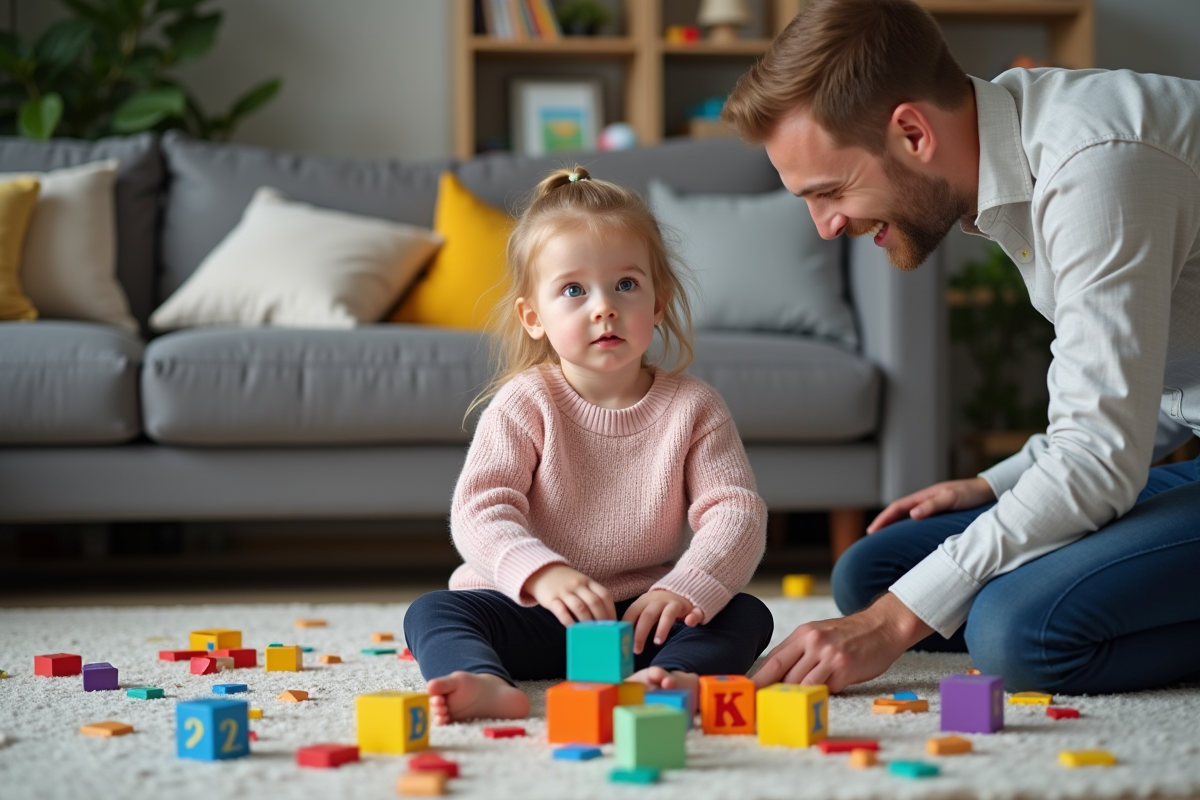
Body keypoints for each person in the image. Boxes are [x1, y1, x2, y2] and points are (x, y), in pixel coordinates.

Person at [720, 0, 1200, 695]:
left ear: (913, 132)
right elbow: (1152, 385)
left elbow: (1099, 455)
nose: (824, 226)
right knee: (874, 572)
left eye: (829, 190)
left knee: (1016, 631)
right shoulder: (1012, 156)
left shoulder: (1094, 167)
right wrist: (995, 485)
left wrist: (890, 626)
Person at [403, 167, 774, 724]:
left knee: (745, 614)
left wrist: (685, 588)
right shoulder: (525, 401)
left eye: (626, 285)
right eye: (573, 290)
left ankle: (673, 680)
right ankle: (485, 681)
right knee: (433, 611)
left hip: (642, 618)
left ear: (658, 300)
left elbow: (735, 512)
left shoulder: (694, 406)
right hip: (530, 610)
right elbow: (481, 509)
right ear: (534, 317)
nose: (603, 307)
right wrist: (541, 574)